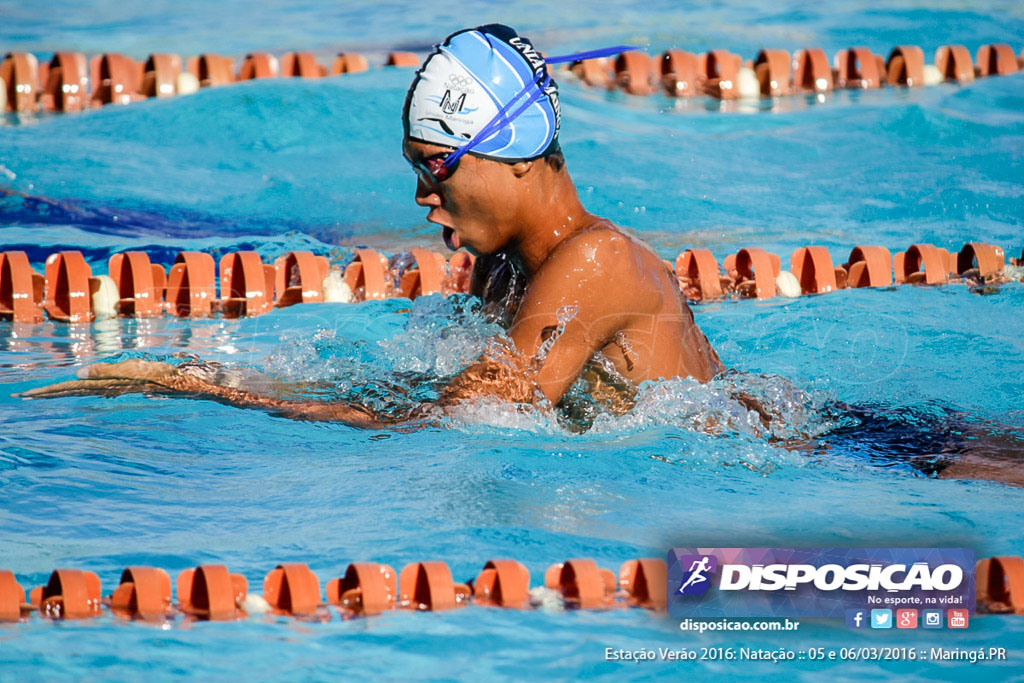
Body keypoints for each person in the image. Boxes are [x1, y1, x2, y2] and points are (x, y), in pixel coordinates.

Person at [19, 25, 725, 428]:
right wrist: (204, 367)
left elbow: (463, 420)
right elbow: (425, 391)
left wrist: (221, 397)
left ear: (511, 153)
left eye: (438, 165)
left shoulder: (596, 260)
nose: (423, 195)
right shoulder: (506, 266)